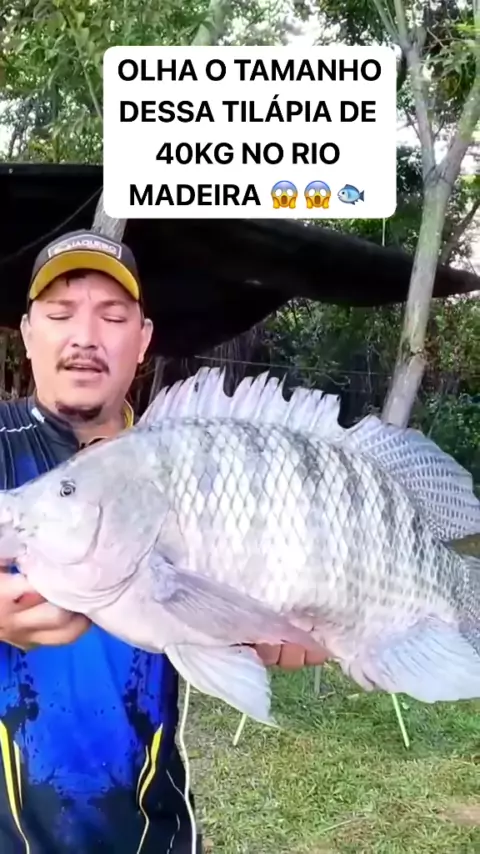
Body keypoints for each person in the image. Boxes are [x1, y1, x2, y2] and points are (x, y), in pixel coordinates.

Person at [0, 229, 328, 854]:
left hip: (156, 832)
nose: (85, 336)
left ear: (144, 339)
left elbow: (231, 616)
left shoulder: (190, 454)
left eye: (112, 316)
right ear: (28, 332)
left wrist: (290, 625)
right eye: (61, 314)